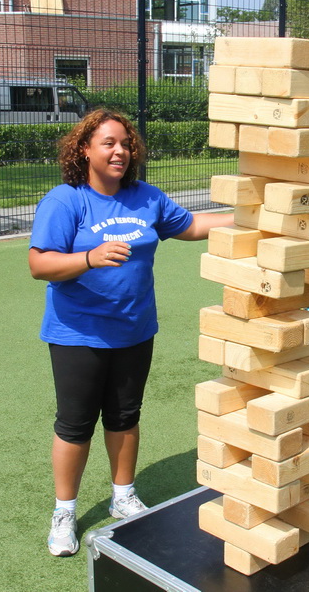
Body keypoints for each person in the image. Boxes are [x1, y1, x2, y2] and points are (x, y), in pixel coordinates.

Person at [28, 109, 233, 557]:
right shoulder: (66, 201)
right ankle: (65, 512)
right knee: (75, 424)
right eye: (108, 143)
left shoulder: (146, 198)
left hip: (135, 330)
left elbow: (192, 226)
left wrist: (250, 217)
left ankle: (123, 496)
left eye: (125, 143)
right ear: (85, 149)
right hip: (78, 334)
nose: (119, 151)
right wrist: (89, 257)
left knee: (125, 416)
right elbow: (39, 264)